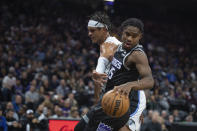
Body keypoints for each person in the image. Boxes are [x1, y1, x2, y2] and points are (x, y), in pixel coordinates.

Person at [75, 18, 154, 131]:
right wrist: (98, 75)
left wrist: (130, 85)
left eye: (134, 36)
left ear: (140, 36)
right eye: (127, 34)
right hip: (107, 99)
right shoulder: (117, 47)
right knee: (78, 128)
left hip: (121, 104)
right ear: (122, 32)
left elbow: (150, 80)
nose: (129, 38)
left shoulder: (137, 55)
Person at [87, 11, 122, 104]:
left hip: (116, 97)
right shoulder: (115, 43)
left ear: (104, 30)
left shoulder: (107, 46)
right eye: (89, 30)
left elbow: (98, 78)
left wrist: (96, 102)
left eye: (92, 30)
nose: (89, 34)